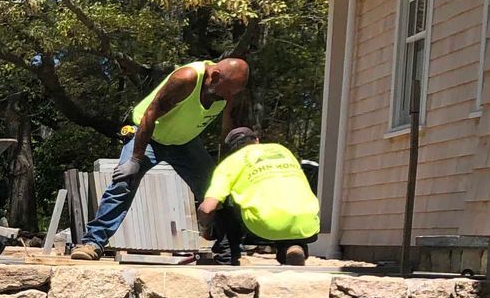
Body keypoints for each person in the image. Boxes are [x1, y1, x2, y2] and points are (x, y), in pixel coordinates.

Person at [69, 57, 250, 260]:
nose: (228, 96)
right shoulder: (187, 78)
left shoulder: (228, 89)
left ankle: (228, 250)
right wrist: (135, 160)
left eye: (234, 92)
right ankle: (92, 243)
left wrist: (231, 166)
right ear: (215, 76)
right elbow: (150, 114)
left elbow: (227, 129)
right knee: (123, 184)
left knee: (216, 190)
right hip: (149, 137)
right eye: (227, 90)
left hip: (185, 142)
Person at [197, 127, 320, 265]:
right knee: (281, 200)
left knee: (222, 205)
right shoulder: (282, 151)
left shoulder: (230, 163)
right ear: (256, 140)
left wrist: (205, 228)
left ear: (232, 149)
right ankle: (293, 247)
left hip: (266, 226)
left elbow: (207, 208)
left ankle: (227, 257)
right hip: (307, 222)